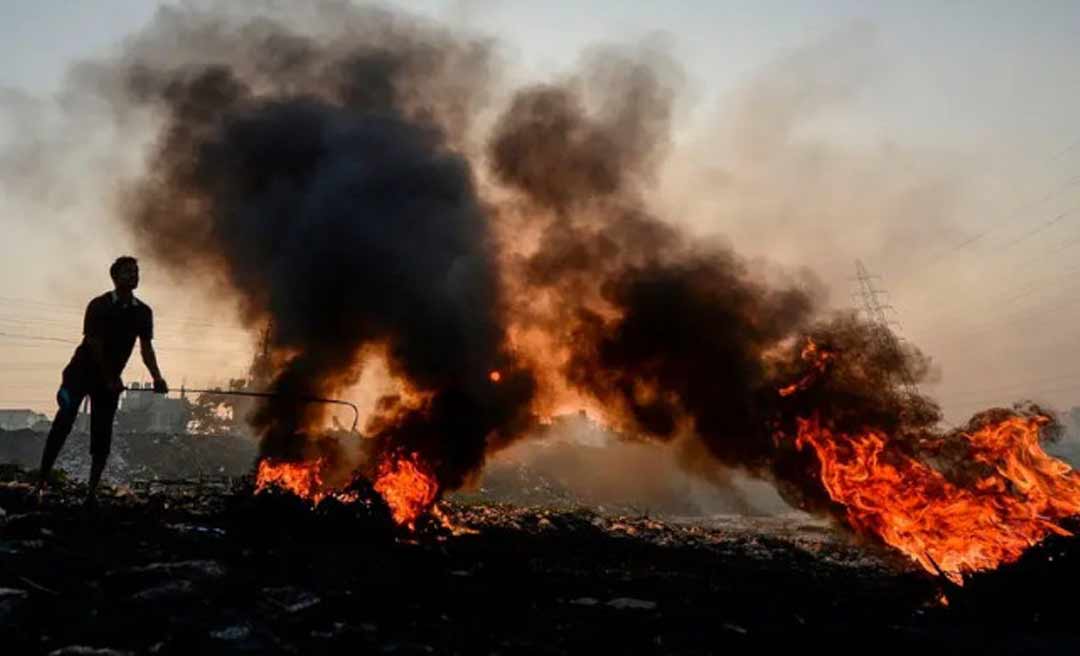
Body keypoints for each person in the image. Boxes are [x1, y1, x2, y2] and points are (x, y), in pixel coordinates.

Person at [36, 256, 168, 505]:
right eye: (127, 272)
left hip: (109, 381)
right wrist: (110, 377)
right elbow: (94, 343)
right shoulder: (98, 305)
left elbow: (146, 348)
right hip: (80, 374)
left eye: (136, 271)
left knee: (102, 435)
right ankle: (40, 484)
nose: (133, 276)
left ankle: (91, 493)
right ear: (115, 277)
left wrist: (157, 377)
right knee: (63, 423)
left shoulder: (143, 312)